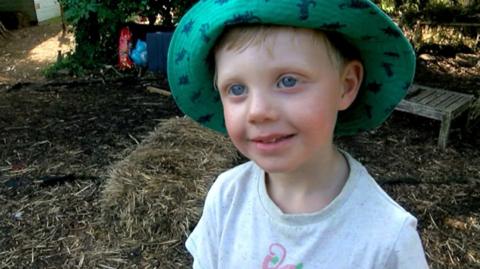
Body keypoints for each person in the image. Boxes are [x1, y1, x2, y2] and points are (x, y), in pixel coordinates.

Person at [167, 0, 429, 268]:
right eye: (236, 89)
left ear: (346, 86)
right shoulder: (226, 198)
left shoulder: (387, 240)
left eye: (288, 81)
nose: (257, 112)